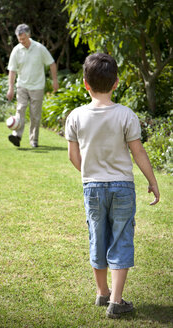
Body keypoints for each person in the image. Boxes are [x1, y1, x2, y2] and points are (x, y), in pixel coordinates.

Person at [65, 53, 160, 319]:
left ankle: (102, 293)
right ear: (116, 83)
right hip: (122, 188)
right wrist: (152, 182)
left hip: (92, 187)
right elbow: (138, 152)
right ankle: (116, 302)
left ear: (85, 83)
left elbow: (73, 157)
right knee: (121, 238)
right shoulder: (126, 115)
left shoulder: (75, 116)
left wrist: (89, 173)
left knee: (97, 236)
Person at [7, 24, 59, 148]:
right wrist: (11, 88)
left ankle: (34, 140)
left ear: (29, 35)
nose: (21, 42)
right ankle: (17, 136)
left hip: (37, 87)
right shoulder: (16, 50)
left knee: (35, 115)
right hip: (22, 86)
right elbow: (12, 71)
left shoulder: (40, 48)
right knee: (20, 110)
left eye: (23, 39)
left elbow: (52, 64)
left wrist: (55, 80)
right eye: (19, 39)